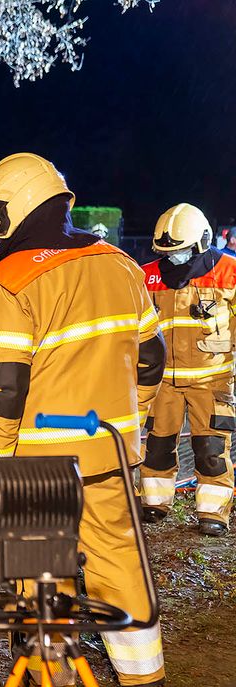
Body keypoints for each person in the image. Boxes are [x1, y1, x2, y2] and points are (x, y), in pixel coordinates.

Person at [0, 152, 167, 687]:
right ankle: (143, 678)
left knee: (39, 571)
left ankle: (50, 681)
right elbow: (152, 355)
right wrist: (134, 416)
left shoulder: (8, 282)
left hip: (36, 462)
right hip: (109, 451)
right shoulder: (123, 265)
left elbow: (4, 388)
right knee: (119, 556)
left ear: (8, 215)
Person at [139, 203, 236, 536]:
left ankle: (213, 510)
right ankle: (154, 501)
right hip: (161, 381)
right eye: (167, 253)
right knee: (157, 444)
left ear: (201, 242)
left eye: (179, 252)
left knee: (211, 447)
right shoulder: (148, 274)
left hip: (212, 379)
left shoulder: (229, 271)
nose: (173, 259)